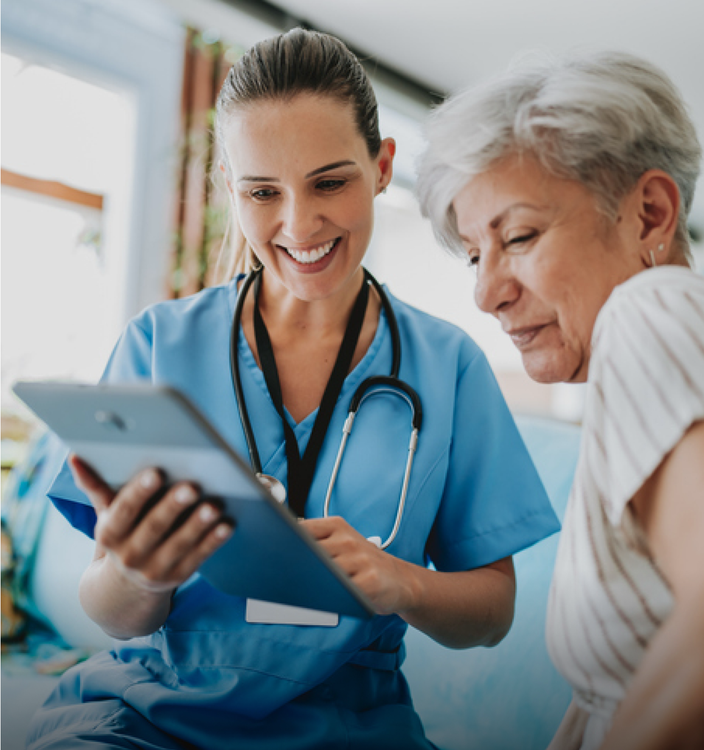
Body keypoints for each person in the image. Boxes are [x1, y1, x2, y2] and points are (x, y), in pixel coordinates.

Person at [27, 29, 559, 750]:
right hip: (147, 719)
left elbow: (493, 612)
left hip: (355, 728)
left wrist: (400, 582)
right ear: (230, 191)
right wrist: (136, 573)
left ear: (381, 167)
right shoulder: (158, 345)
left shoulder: (448, 365)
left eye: (330, 181)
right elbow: (115, 613)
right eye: (263, 192)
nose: (299, 225)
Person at [417, 50, 704, 750]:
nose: (486, 293)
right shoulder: (694, 334)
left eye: (520, 237)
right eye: (477, 255)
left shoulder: (655, 312)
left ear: (650, 214)